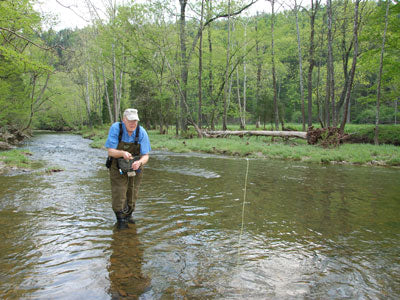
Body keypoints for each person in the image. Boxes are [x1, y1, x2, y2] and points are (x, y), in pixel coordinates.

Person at [105, 108, 151, 228]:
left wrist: (140, 162)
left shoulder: (142, 132)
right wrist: (122, 153)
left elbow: (146, 156)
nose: (133, 123)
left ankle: (129, 216)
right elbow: (110, 151)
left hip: (135, 167)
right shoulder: (116, 128)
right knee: (119, 191)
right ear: (124, 120)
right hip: (117, 165)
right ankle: (120, 219)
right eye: (130, 120)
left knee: (132, 192)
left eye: (135, 121)